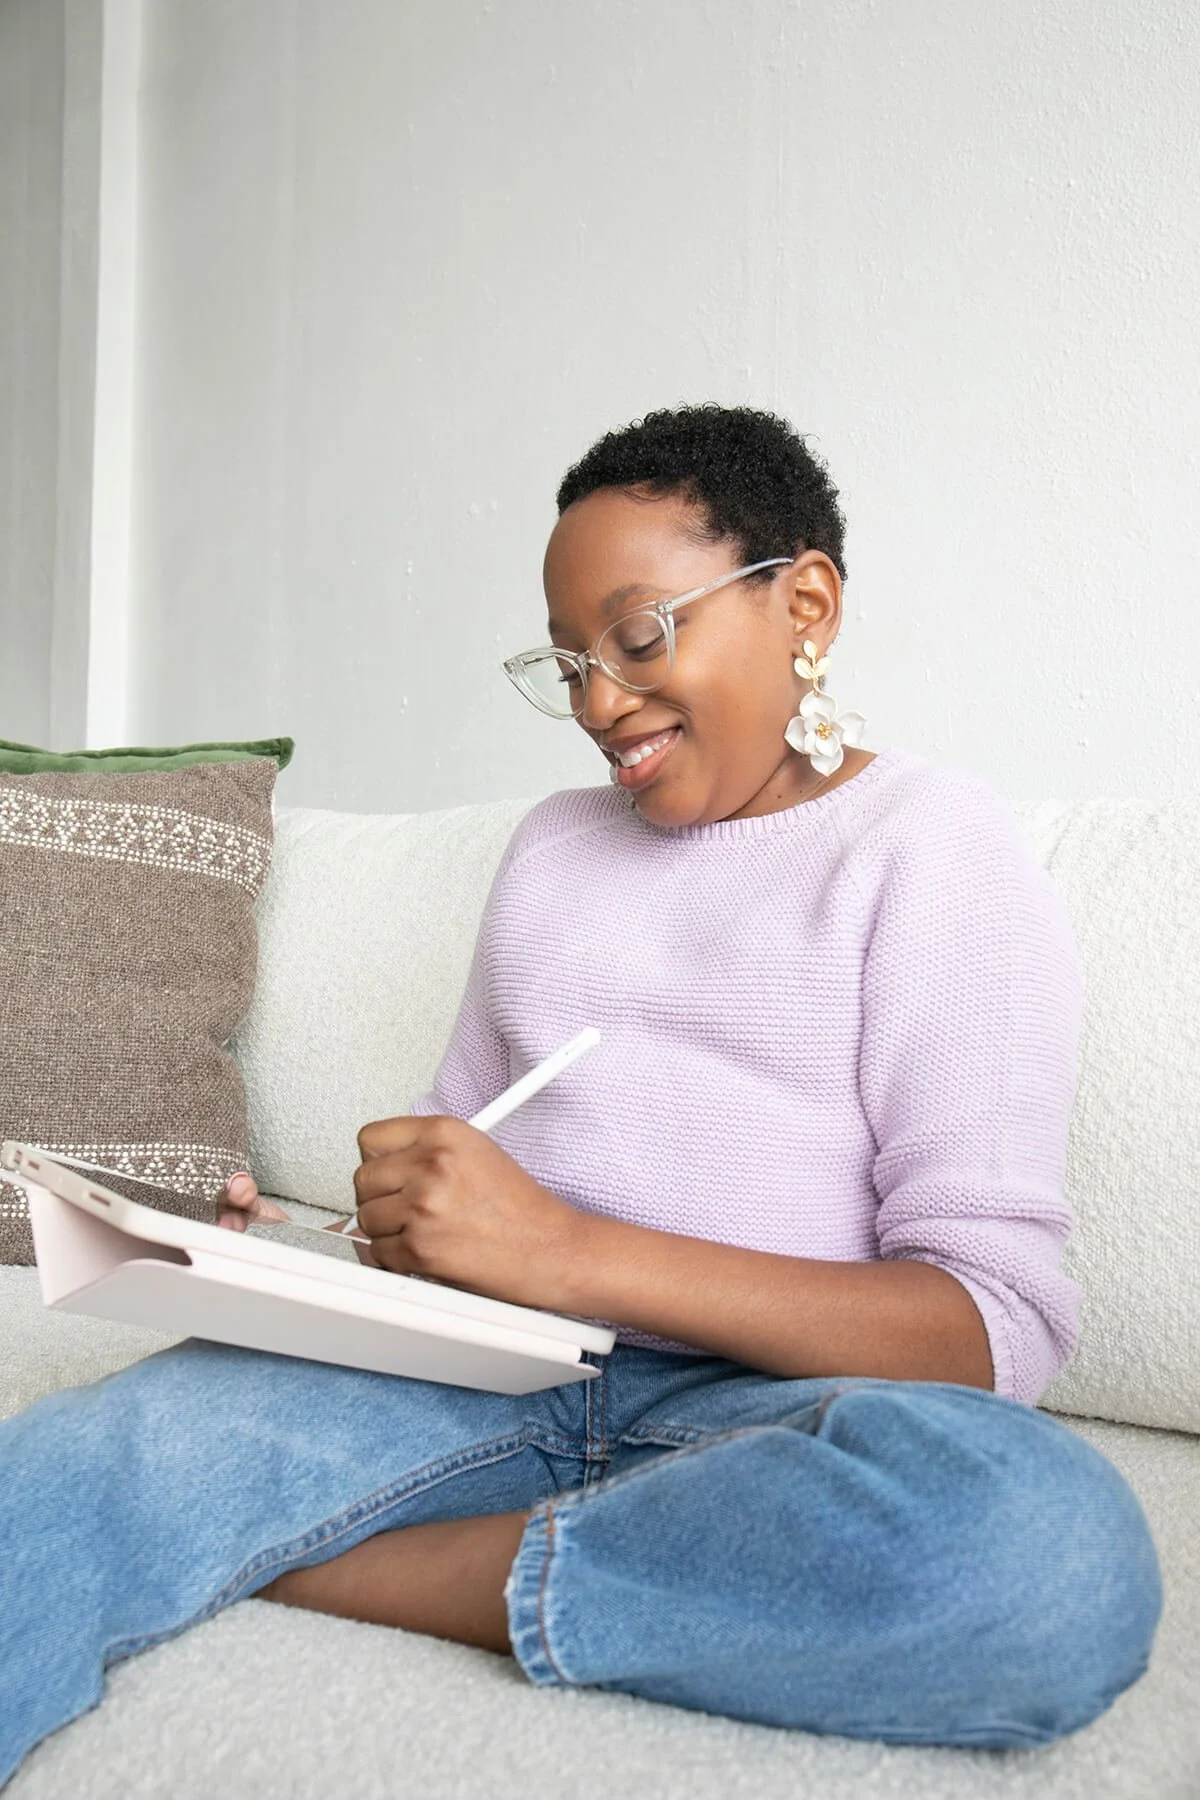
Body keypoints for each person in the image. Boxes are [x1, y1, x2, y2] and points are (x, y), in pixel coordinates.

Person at [0, 404, 1162, 1783]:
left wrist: (569, 1254)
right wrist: (332, 1253)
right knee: (51, 1484)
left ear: (803, 602)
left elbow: (993, 1333)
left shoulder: (934, 847)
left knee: (1048, 1559)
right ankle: (270, 1528)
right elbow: (460, 1204)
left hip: (779, 1413)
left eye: (639, 635)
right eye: (567, 664)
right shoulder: (553, 856)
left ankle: (341, 1562)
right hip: (473, 1374)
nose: (601, 700)